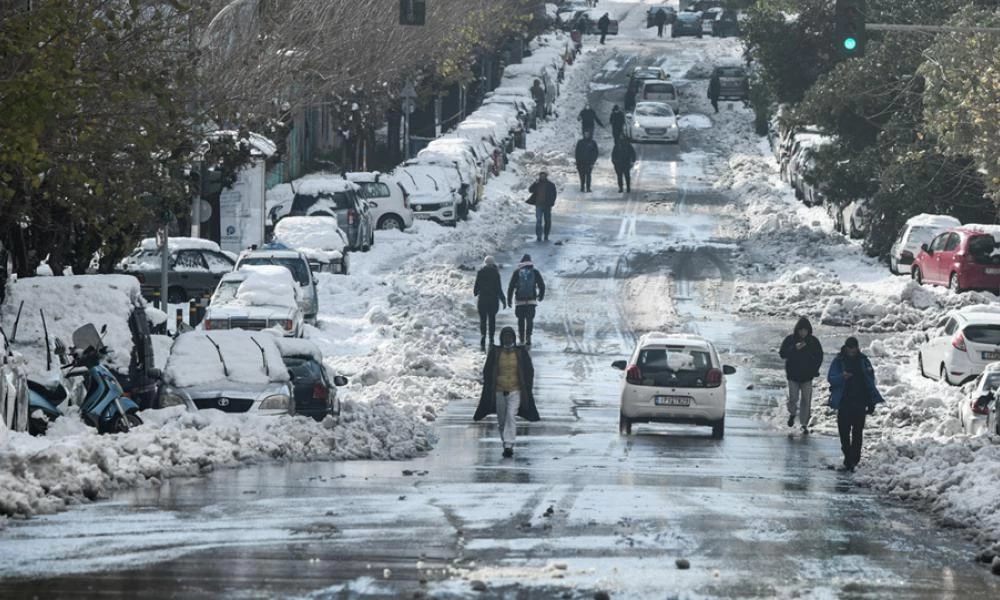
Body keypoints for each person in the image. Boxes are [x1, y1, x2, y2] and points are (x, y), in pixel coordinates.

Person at [474, 326, 539, 458]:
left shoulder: (520, 353)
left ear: (514, 339)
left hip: (515, 391)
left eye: (510, 337)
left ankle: (509, 444)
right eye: (505, 337)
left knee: (510, 416)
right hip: (499, 391)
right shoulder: (495, 353)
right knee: (502, 420)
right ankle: (506, 443)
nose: (507, 339)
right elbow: (487, 371)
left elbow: (529, 370)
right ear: (501, 338)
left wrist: (527, 387)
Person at [827, 337, 884, 471]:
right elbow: (831, 378)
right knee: (844, 431)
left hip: (860, 400)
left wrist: (871, 402)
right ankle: (848, 455)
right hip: (844, 401)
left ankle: (855, 458)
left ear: (857, 348)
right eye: (849, 349)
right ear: (846, 348)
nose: (852, 351)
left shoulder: (863, 361)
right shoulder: (839, 361)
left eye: (854, 349)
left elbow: (870, 381)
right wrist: (842, 377)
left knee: (858, 431)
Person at [779, 317, 824, 434]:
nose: (803, 332)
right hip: (793, 376)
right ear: (797, 330)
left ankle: (804, 424)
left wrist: (815, 370)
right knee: (793, 398)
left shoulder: (813, 341)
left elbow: (819, 356)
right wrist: (794, 348)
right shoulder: (790, 339)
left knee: (806, 400)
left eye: (805, 330)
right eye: (800, 330)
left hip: (807, 377)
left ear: (809, 330)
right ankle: (792, 413)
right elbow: (782, 354)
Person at [507, 254, 545, 346]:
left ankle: (521, 337)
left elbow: (511, 287)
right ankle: (528, 336)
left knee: (520, 320)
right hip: (531, 300)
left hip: (520, 301)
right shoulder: (535, 272)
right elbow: (542, 285)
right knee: (529, 320)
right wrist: (540, 296)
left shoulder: (517, 272)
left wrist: (509, 299)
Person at [474, 255, 506, 351]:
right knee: (492, 320)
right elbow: (499, 289)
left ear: (485, 262)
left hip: (482, 300)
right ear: (493, 263)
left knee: (483, 320)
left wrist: (476, 292)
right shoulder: (496, 273)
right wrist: (503, 300)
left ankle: (483, 336)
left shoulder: (480, 272)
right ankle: (491, 338)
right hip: (493, 301)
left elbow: (476, 288)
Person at [528, 171, 557, 241]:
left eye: (544, 176)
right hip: (538, 205)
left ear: (546, 177)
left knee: (547, 220)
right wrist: (534, 183)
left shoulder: (551, 185)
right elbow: (530, 190)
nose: (542, 177)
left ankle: (546, 235)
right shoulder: (537, 184)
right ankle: (539, 235)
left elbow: (554, 194)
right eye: (541, 176)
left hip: (547, 206)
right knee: (539, 220)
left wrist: (552, 202)